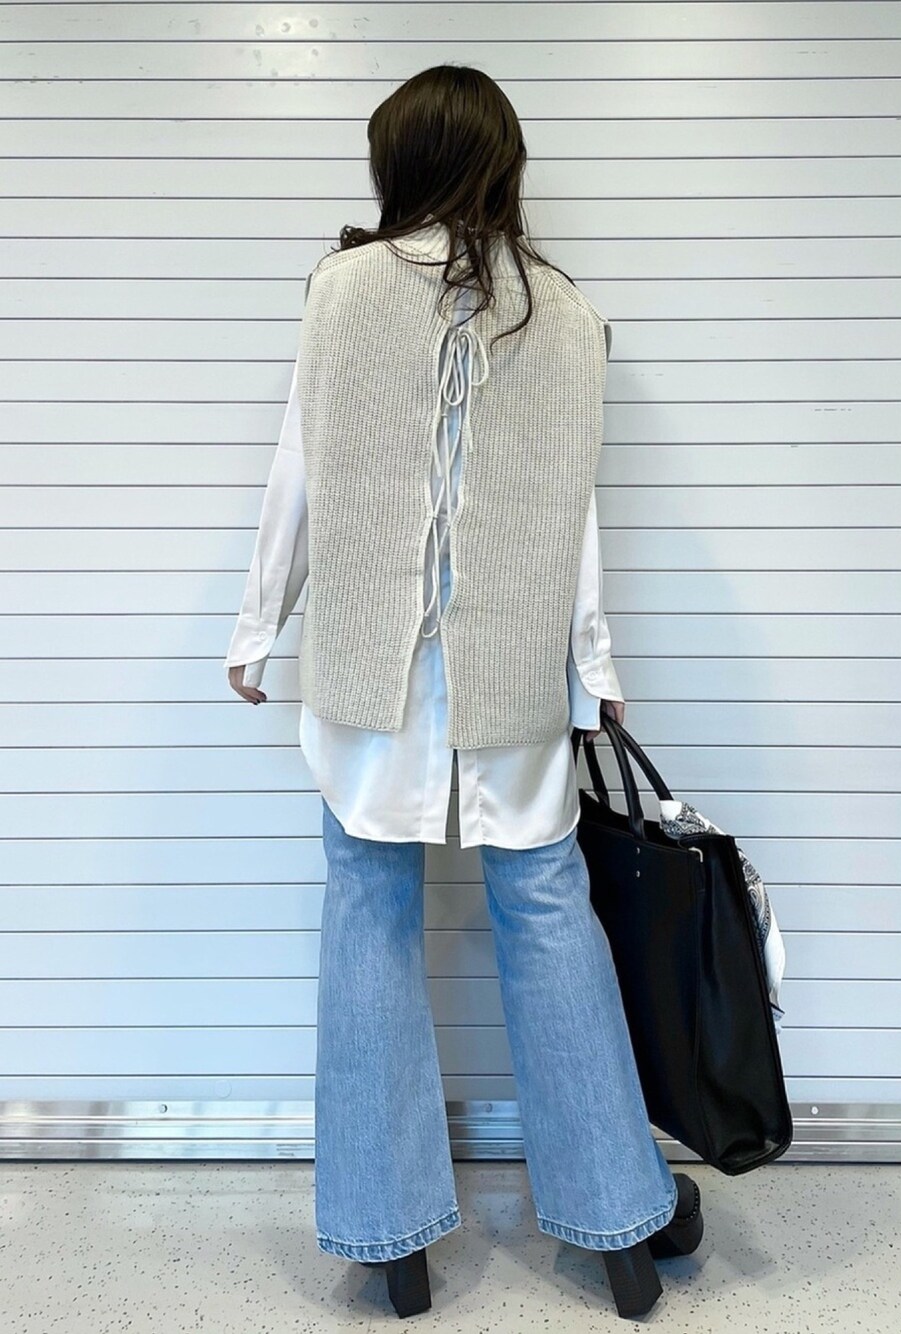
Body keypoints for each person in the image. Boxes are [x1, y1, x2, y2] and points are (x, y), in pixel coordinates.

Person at [225, 63, 703, 1322]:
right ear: (502, 162)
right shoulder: (567, 311)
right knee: (545, 910)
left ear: (399, 163)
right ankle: (621, 1223)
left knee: (366, 908)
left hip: (367, 669)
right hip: (512, 670)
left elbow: (297, 468)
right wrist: (593, 668)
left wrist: (259, 624)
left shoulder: (337, 291)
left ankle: (389, 1238)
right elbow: (574, 520)